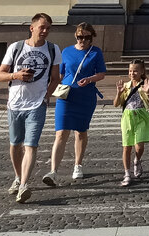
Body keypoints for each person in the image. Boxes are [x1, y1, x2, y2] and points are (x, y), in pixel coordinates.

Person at [0, 13, 61, 204]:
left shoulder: (53, 49)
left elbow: (56, 77)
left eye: (48, 28)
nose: (45, 31)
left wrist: (46, 96)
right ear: (31, 28)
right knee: (15, 145)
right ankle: (18, 177)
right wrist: (16, 75)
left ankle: (24, 184)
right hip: (15, 103)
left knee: (31, 145)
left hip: (37, 104)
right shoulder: (16, 48)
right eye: (42, 27)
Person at [42, 23, 107, 186]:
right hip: (66, 96)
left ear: (92, 37)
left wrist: (90, 79)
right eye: (80, 37)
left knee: (80, 132)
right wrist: (50, 90)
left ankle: (78, 164)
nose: (83, 40)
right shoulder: (67, 51)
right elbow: (61, 74)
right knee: (61, 132)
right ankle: (53, 171)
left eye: (86, 37)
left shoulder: (95, 52)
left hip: (85, 97)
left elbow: (101, 73)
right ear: (75, 36)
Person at [114, 59, 149, 187]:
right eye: (130, 71)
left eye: (135, 71)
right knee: (126, 146)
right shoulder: (126, 86)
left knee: (139, 145)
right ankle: (127, 174)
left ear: (142, 72)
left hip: (141, 116)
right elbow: (116, 104)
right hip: (127, 117)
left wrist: (148, 92)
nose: (132, 73)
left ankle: (137, 160)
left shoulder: (145, 84)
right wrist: (119, 93)